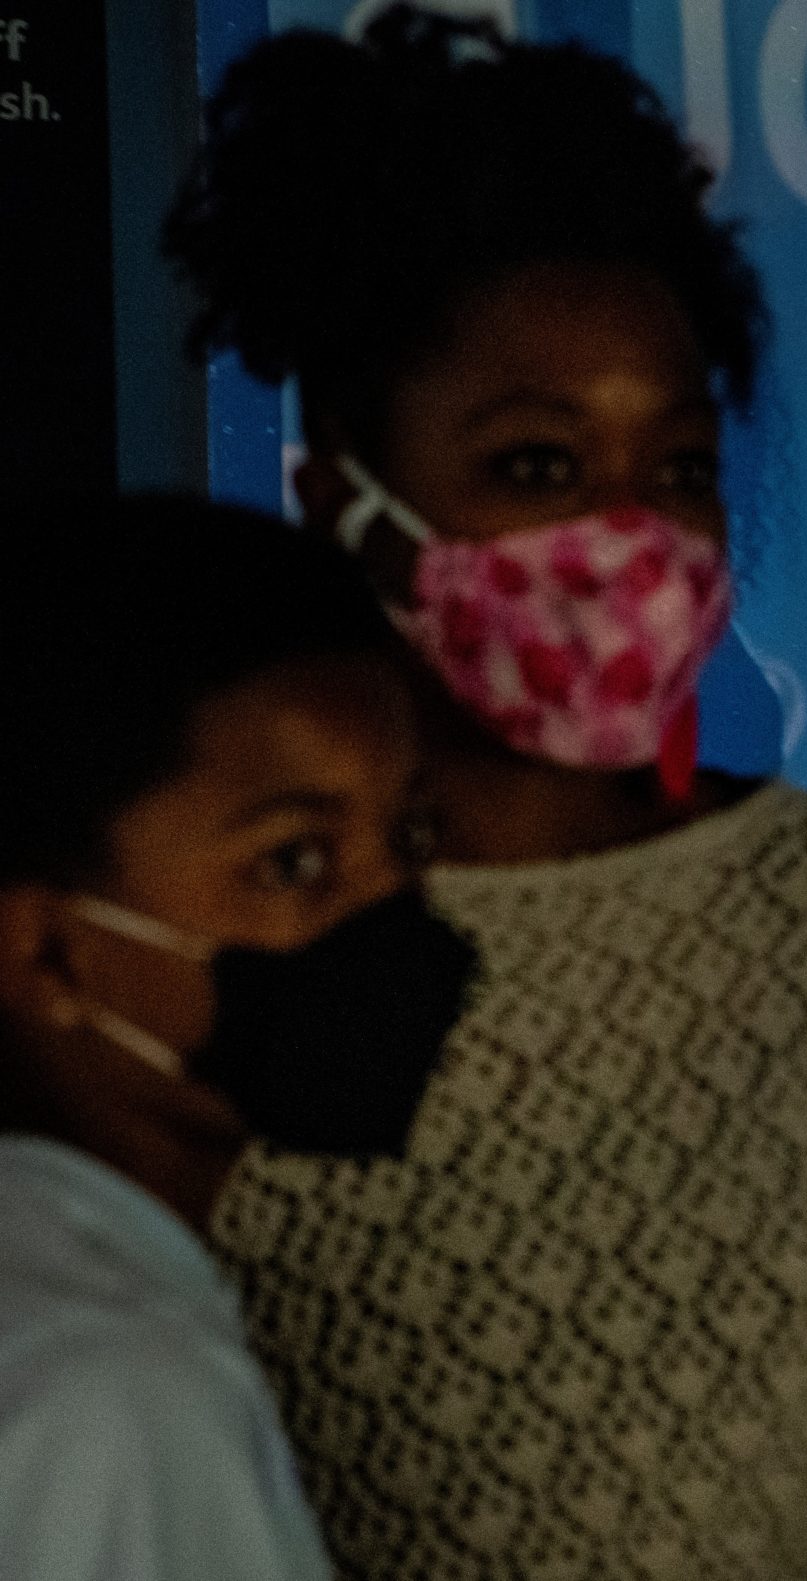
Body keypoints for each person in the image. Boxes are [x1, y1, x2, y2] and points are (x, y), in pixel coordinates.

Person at [163, 10, 807, 1577]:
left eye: (678, 471)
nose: (629, 540)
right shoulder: (198, 953)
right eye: (537, 466)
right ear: (340, 497)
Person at [0, 495, 474, 1579]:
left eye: (411, 834)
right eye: (293, 862)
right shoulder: (110, 1394)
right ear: (49, 956)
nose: (395, 914)